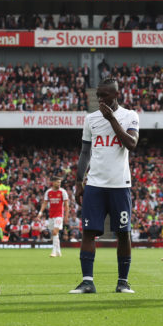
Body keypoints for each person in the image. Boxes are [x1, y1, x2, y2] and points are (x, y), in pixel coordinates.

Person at [70, 78, 139, 294]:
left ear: (116, 95)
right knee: (88, 232)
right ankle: (87, 281)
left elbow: (131, 144)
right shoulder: (90, 119)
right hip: (95, 184)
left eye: (105, 95)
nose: (100, 99)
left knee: (123, 233)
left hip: (120, 184)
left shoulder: (130, 116)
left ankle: (122, 282)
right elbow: (85, 152)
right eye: (98, 95)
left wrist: (111, 120)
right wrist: (79, 181)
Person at [38, 175, 69, 257]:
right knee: (55, 234)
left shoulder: (63, 192)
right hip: (51, 215)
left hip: (59, 215)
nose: (59, 184)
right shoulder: (48, 192)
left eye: (60, 182)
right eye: (57, 182)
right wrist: (40, 213)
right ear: (53, 182)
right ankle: (58, 251)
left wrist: (66, 216)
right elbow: (45, 203)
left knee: (55, 232)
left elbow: (66, 205)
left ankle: (54, 251)